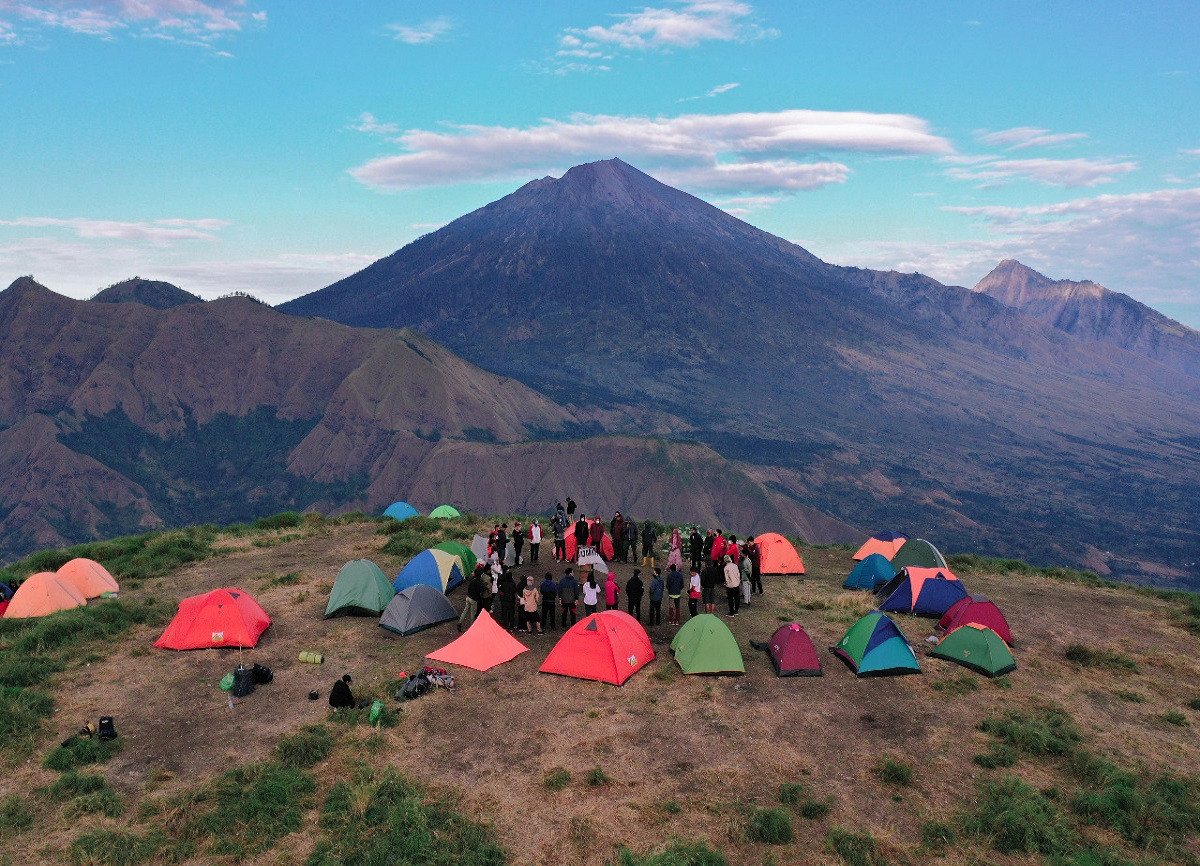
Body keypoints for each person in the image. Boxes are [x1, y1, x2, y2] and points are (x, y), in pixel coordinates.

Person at [461, 566, 485, 630]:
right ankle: (472, 628)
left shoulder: (472, 580)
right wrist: (485, 587)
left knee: (465, 610)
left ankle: (460, 622)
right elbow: (481, 589)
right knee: (473, 613)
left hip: (468, 597)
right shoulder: (478, 581)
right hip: (473, 599)